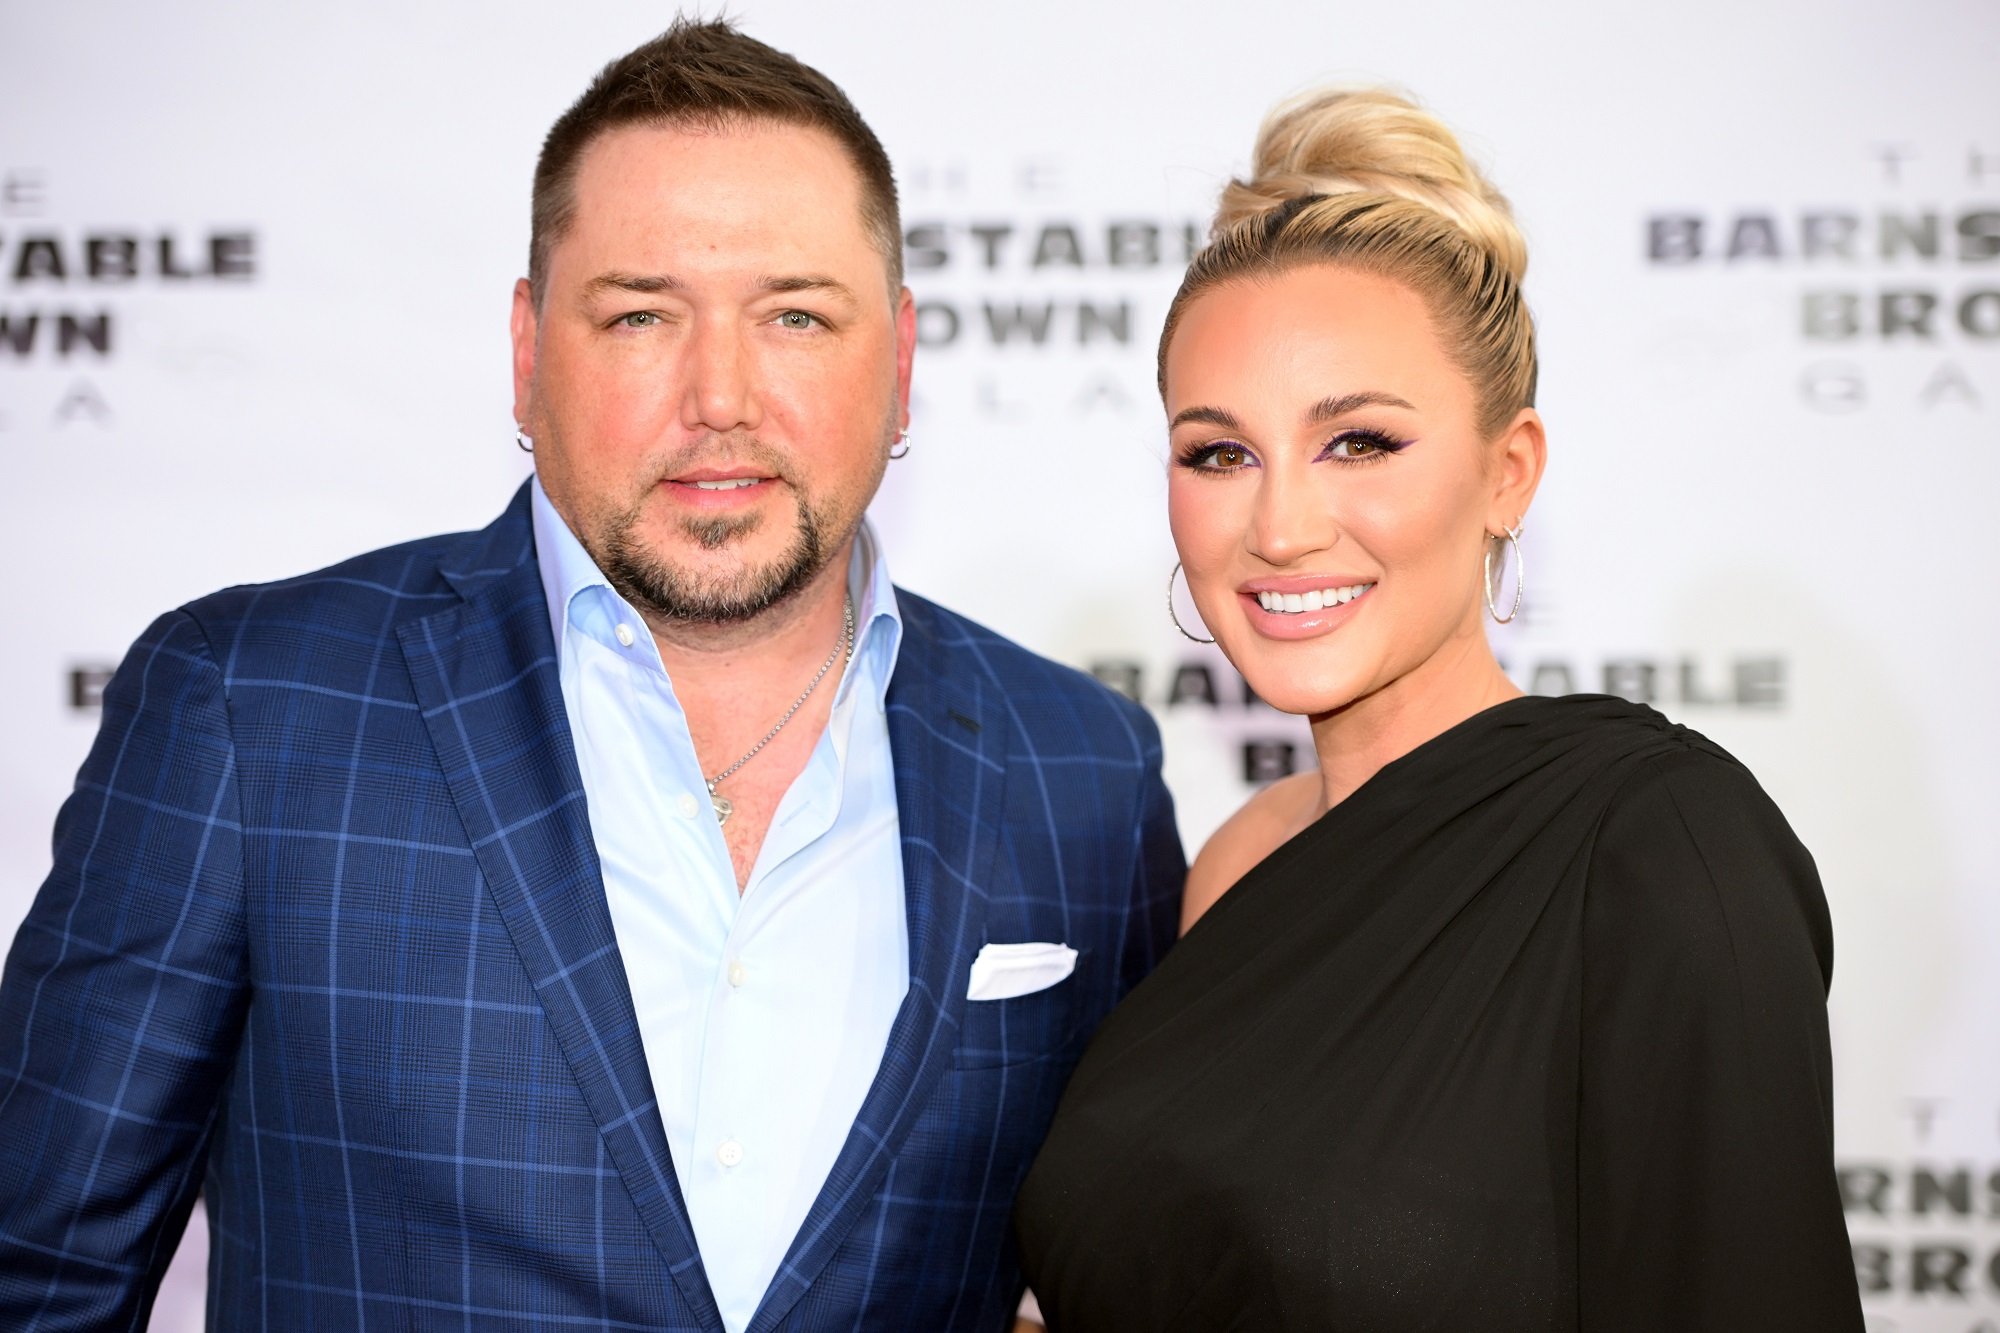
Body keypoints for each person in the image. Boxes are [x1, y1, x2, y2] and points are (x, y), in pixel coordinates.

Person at [0, 20, 1182, 1332]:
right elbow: (39, 1280)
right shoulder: (250, 705)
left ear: (899, 367)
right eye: (639, 315)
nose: (719, 394)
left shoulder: (1085, 771)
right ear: (527, 350)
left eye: (795, 314)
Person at [1014, 88, 1863, 1329]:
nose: (1281, 526)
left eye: (1357, 441)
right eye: (1218, 453)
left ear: (1505, 471)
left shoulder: (1655, 847)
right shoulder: (1235, 861)